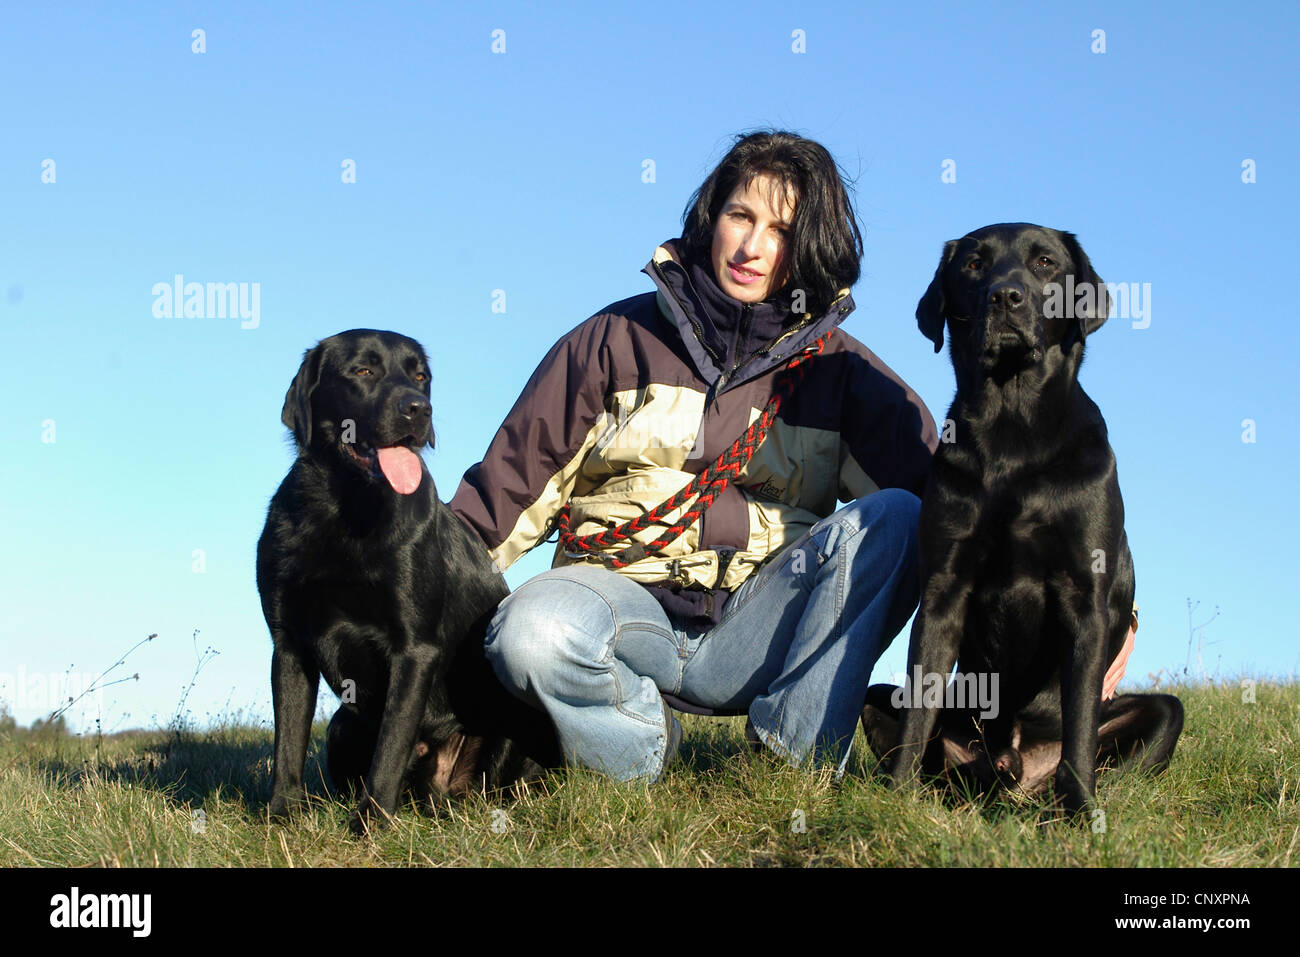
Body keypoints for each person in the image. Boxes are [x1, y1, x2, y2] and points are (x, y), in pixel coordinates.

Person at [450, 130, 940, 782]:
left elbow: (954, 505)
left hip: (755, 626)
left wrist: (1116, 605)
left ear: (812, 246)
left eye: (783, 230)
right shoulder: (612, 340)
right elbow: (500, 498)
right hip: (618, 611)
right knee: (528, 633)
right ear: (713, 216)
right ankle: (635, 748)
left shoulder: (845, 373)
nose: (753, 245)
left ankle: (793, 765)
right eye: (741, 215)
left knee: (901, 519)